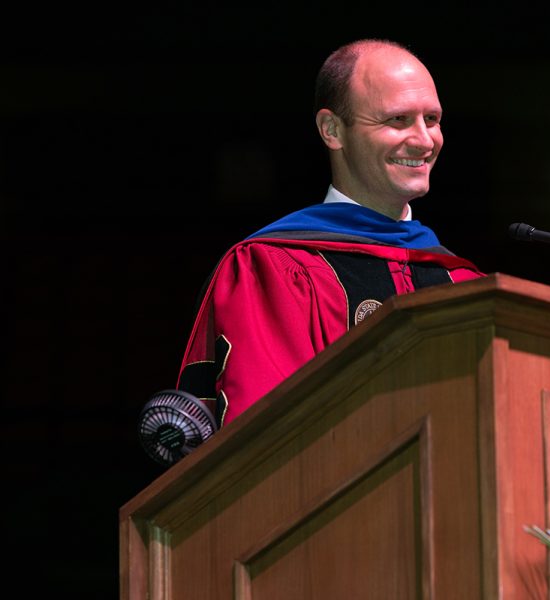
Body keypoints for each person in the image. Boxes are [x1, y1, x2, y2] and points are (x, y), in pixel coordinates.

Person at [174, 39, 484, 429]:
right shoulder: (274, 266)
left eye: (433, 119)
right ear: (332, 130)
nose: (424, 140)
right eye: (397, 120)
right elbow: (267, 434)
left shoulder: (462, 280)